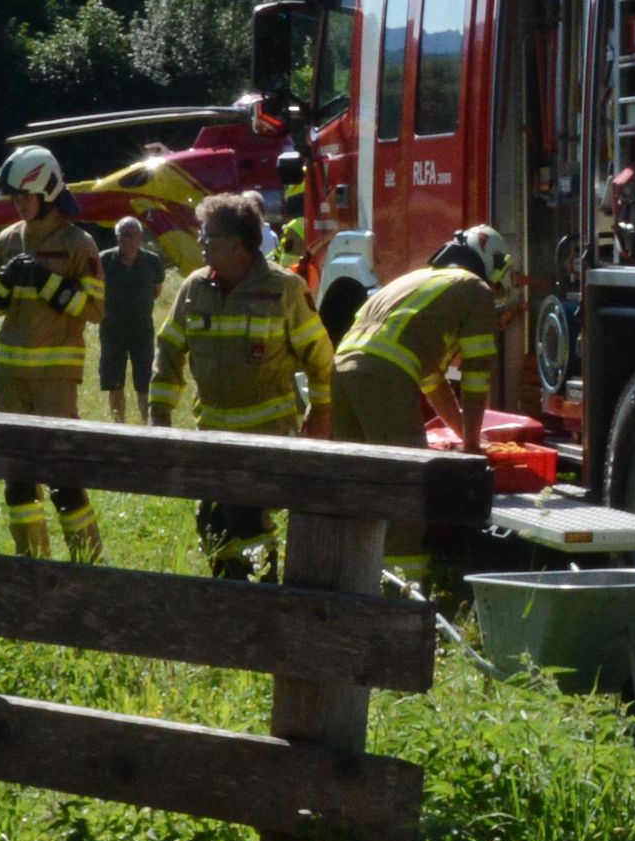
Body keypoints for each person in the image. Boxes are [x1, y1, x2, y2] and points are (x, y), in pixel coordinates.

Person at [152, 191, 331, 579]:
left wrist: (320, 418)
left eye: (208, 235)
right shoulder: (193, 289)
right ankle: (231, 597)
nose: (200, 242)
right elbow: (168, 351)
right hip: (213, 436)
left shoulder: (284, 290)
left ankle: (260, 597)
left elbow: (320, 360)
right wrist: (159, 416)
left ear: (236, 244)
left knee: (247, 519)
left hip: (267, 437)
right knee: (211, 522)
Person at [331, 227, 515, 585]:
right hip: (382, 376)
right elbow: (477, 377)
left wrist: (464, 435)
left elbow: (432, 382)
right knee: (407, 490)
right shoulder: (474, 291)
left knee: (359, 485)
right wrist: (474, 449)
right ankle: (401, 592)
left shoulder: (422, 282)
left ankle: (350, 583)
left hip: (343, 368)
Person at [0, 143, 107, 560]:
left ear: (48, 191)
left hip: (56, 379)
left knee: (62, 478)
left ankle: (86, 564)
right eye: (14, 197)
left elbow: (95, 308)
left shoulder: (78, 244)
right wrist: (6, 278)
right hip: (11, 378)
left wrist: (46, 283)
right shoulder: (6, 241)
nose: (18, 204)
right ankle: (30, 565)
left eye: (24, 196)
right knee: (17, 481)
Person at [95, 212, 171, 425]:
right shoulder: (104, 260)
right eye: (121, 234)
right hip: (112, 330)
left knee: (145, 382)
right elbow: (96, 291)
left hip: (142, 330)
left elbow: (156, 291)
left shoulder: (152, 262)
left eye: (130, 235)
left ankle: (147, 426)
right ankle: (119, 425)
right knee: (114, 382)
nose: (125, 239)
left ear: (140, 237)